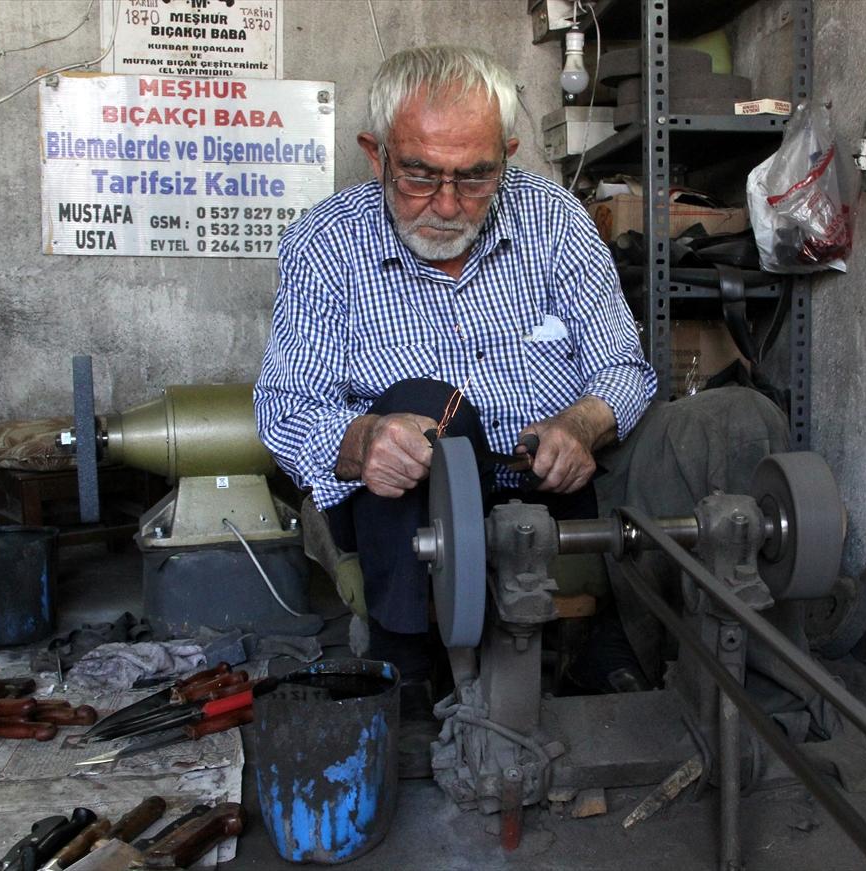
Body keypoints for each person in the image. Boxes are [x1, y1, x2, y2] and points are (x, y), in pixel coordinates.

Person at [255, 45, 656, 773]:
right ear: (376, 154)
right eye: (420, 174)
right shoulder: (324, 244)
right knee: (426, 411)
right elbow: (284, 407)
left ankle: (612, 645)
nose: (446, 204)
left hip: (543, 477)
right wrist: (361, 438)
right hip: (404, 504)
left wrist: (582, 423)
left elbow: (624, 367)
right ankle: (405, 663)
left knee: (712, 426)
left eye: (474, 176)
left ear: (505, 156)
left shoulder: (556, 222)